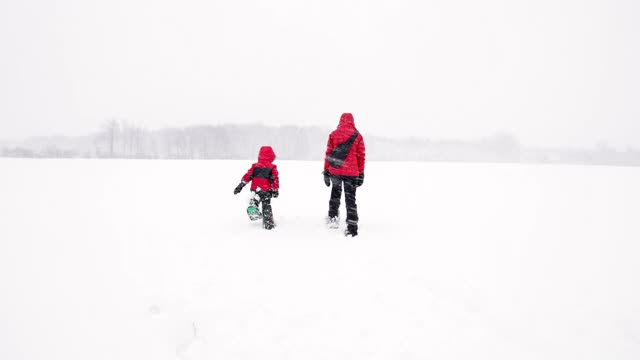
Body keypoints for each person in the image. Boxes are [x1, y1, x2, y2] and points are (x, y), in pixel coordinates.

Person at [323, 113, 365, 237]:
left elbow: (328, 154)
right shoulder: (358, 136)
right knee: (350, 199)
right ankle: (352, 227)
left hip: (335, 171)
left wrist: (326, 171)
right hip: (351, 173)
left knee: (335, 194)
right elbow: (361, 156)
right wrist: (361, 173)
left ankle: (333, 218)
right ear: (352, 121)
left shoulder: (333, 134)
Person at [233, 146, 279, 230]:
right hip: (266, 190)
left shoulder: (255, 166)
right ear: (271, 157)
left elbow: (247, 176)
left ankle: (253, 205)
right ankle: (268, 224)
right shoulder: (272, 167)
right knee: (266, 206)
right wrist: (275, 190)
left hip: (255, 189)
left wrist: (240, 185)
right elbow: (274, 179)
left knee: (255, 199)